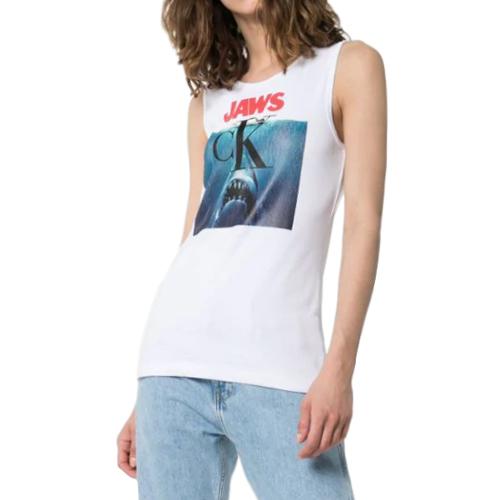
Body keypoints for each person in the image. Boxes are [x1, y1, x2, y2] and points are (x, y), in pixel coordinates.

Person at [117, 0, 387, 498]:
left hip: (282, 368)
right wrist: (146, 398)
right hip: (174, 368)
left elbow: (363, 224)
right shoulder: (206, 103)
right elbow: (195, 234)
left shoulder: (348, 68)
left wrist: (340, 367)